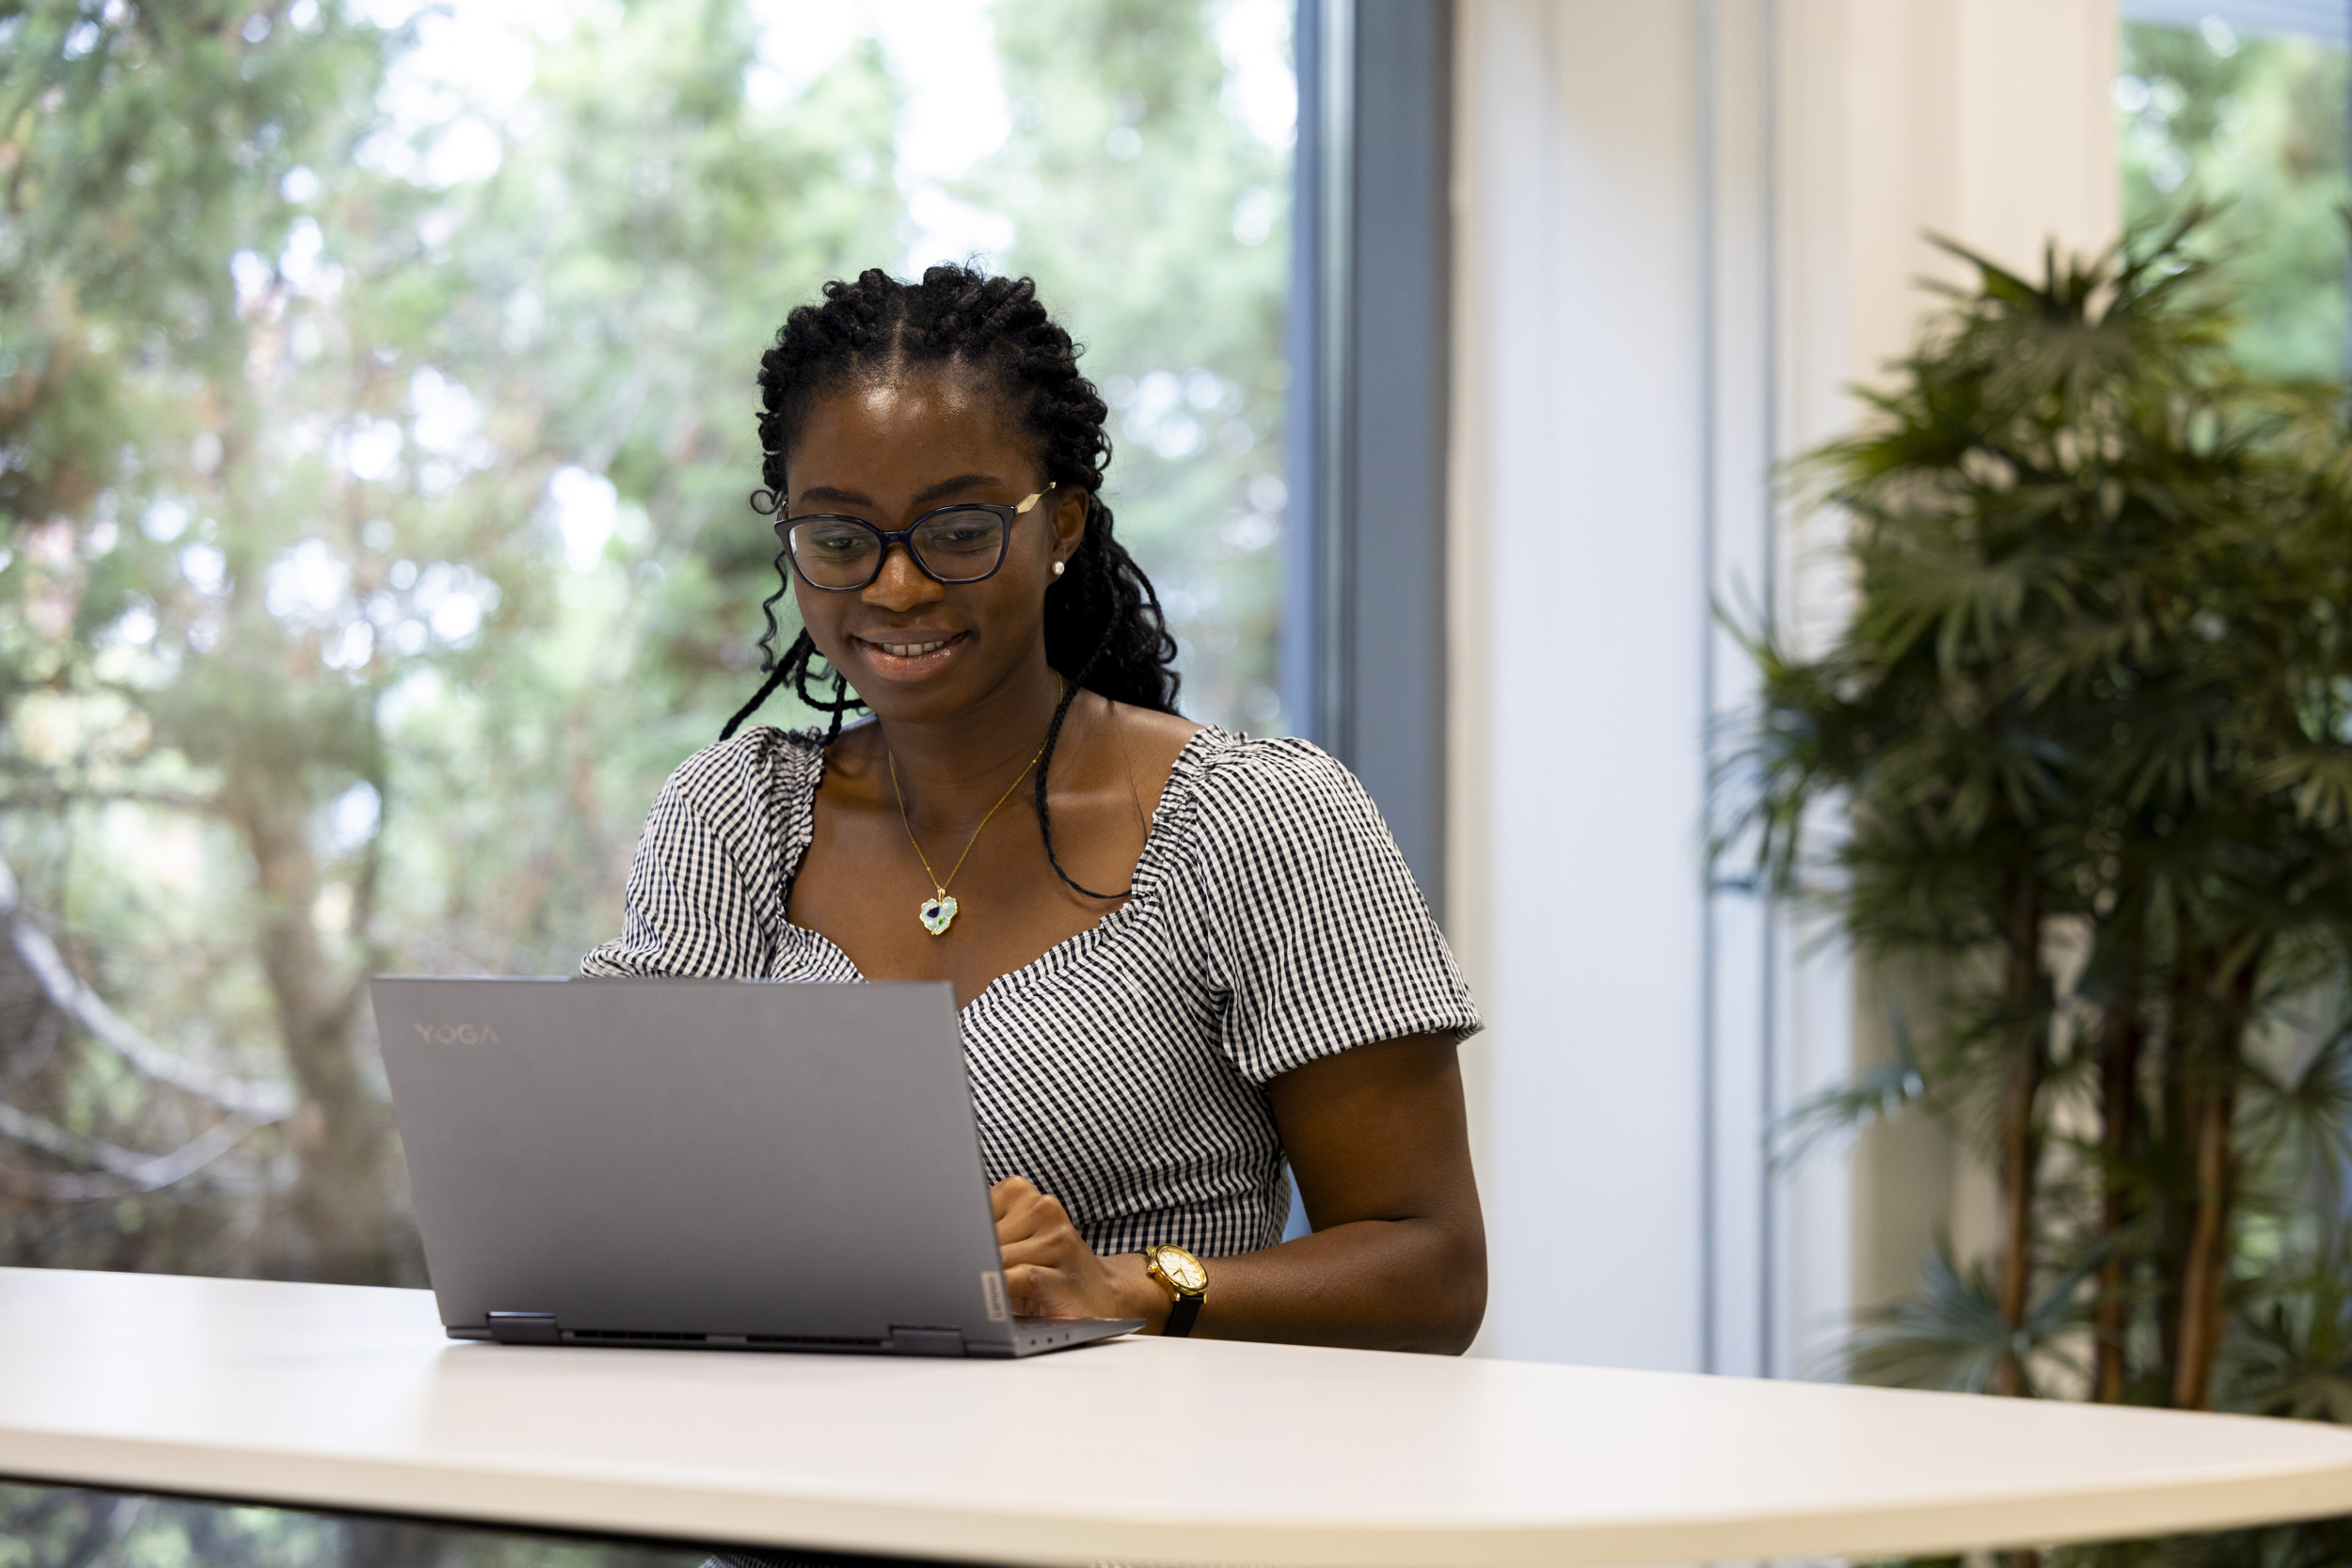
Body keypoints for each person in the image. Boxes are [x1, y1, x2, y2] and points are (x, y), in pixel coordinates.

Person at [584, 264, 1485, 1353]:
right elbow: (607, 1176)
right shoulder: (736, 814)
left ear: (1060, 524)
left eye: (959, 530)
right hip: (785, 1459)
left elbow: (1432, 1268)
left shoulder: (1257, 818)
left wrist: (1126, 1287)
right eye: (840, 539)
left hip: (1124, 1463)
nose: (897, 587)